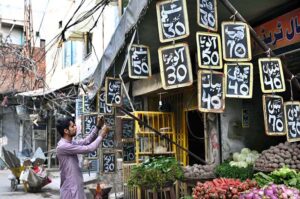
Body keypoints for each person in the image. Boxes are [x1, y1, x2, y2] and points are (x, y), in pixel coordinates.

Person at [56, 116, 109, 199]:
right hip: (71, 189)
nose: (75, 127)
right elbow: (89, 148)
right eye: (72, 126)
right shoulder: (63, 146)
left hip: (75, 185)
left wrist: (98, 127)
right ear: (66, 131)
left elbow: (86, 141)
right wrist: (101, 135)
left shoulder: (70, 142)